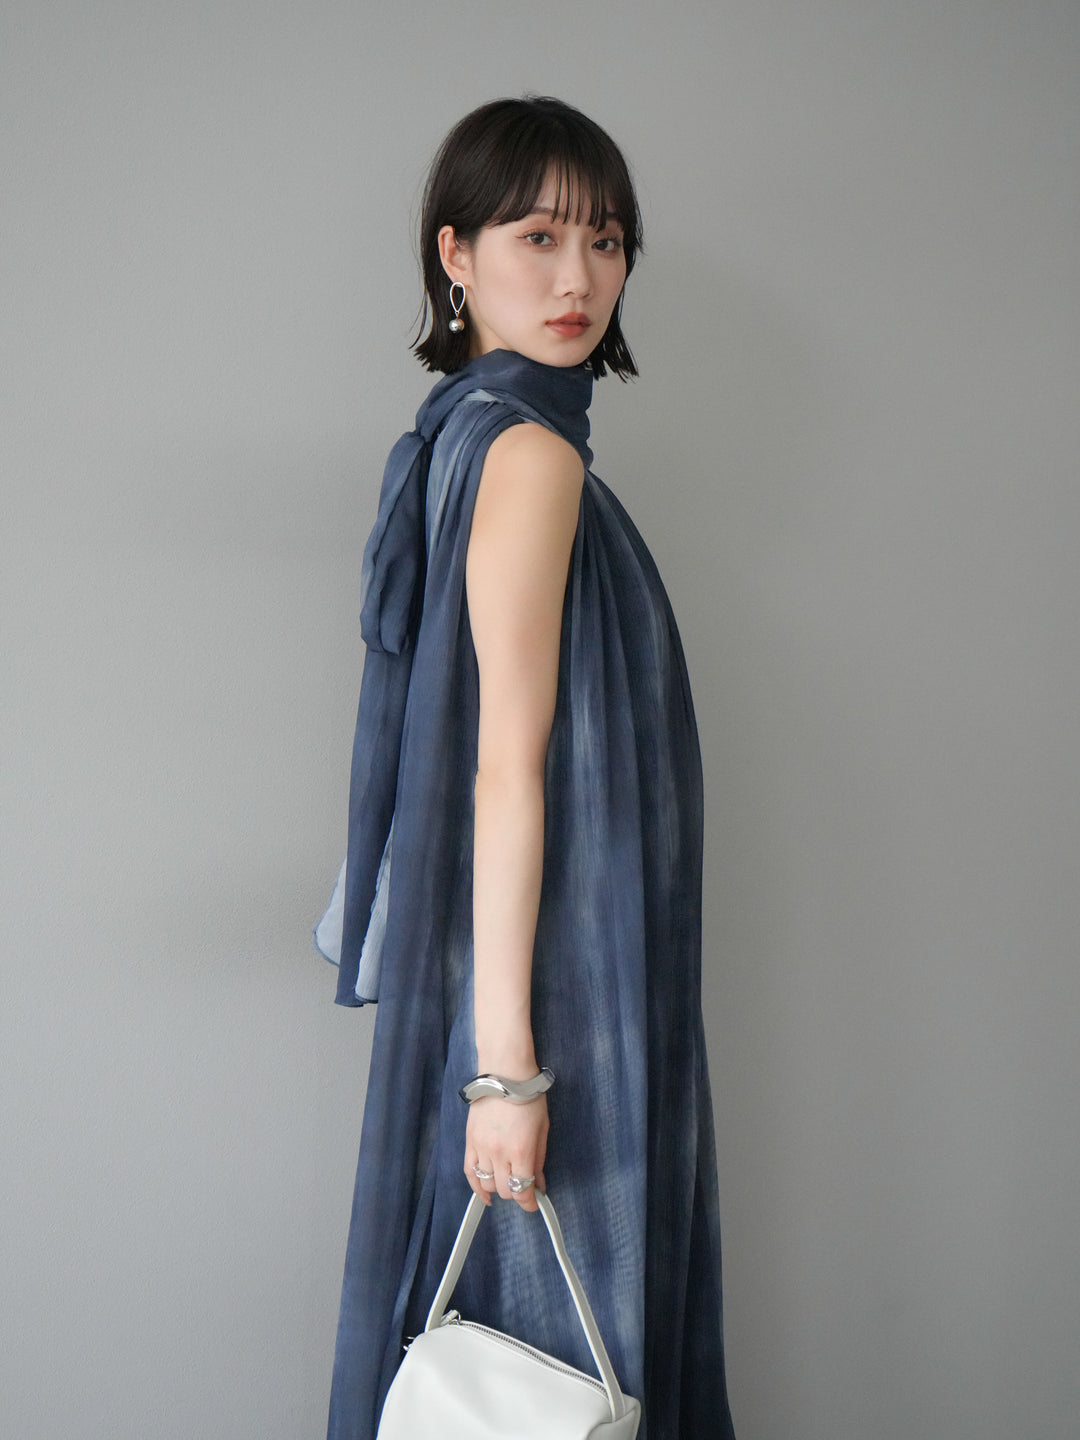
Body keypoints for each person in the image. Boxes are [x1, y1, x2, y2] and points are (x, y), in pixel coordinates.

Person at [315, 95, 737, 1440]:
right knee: (566, 1354)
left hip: (522, 979)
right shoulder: (532, 454)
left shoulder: (457, 437)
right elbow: (505, 771)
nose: (578, 278)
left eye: (606, 241)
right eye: (538, 236)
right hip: (558, 994)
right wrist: (510, 1075)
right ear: (456, 254)